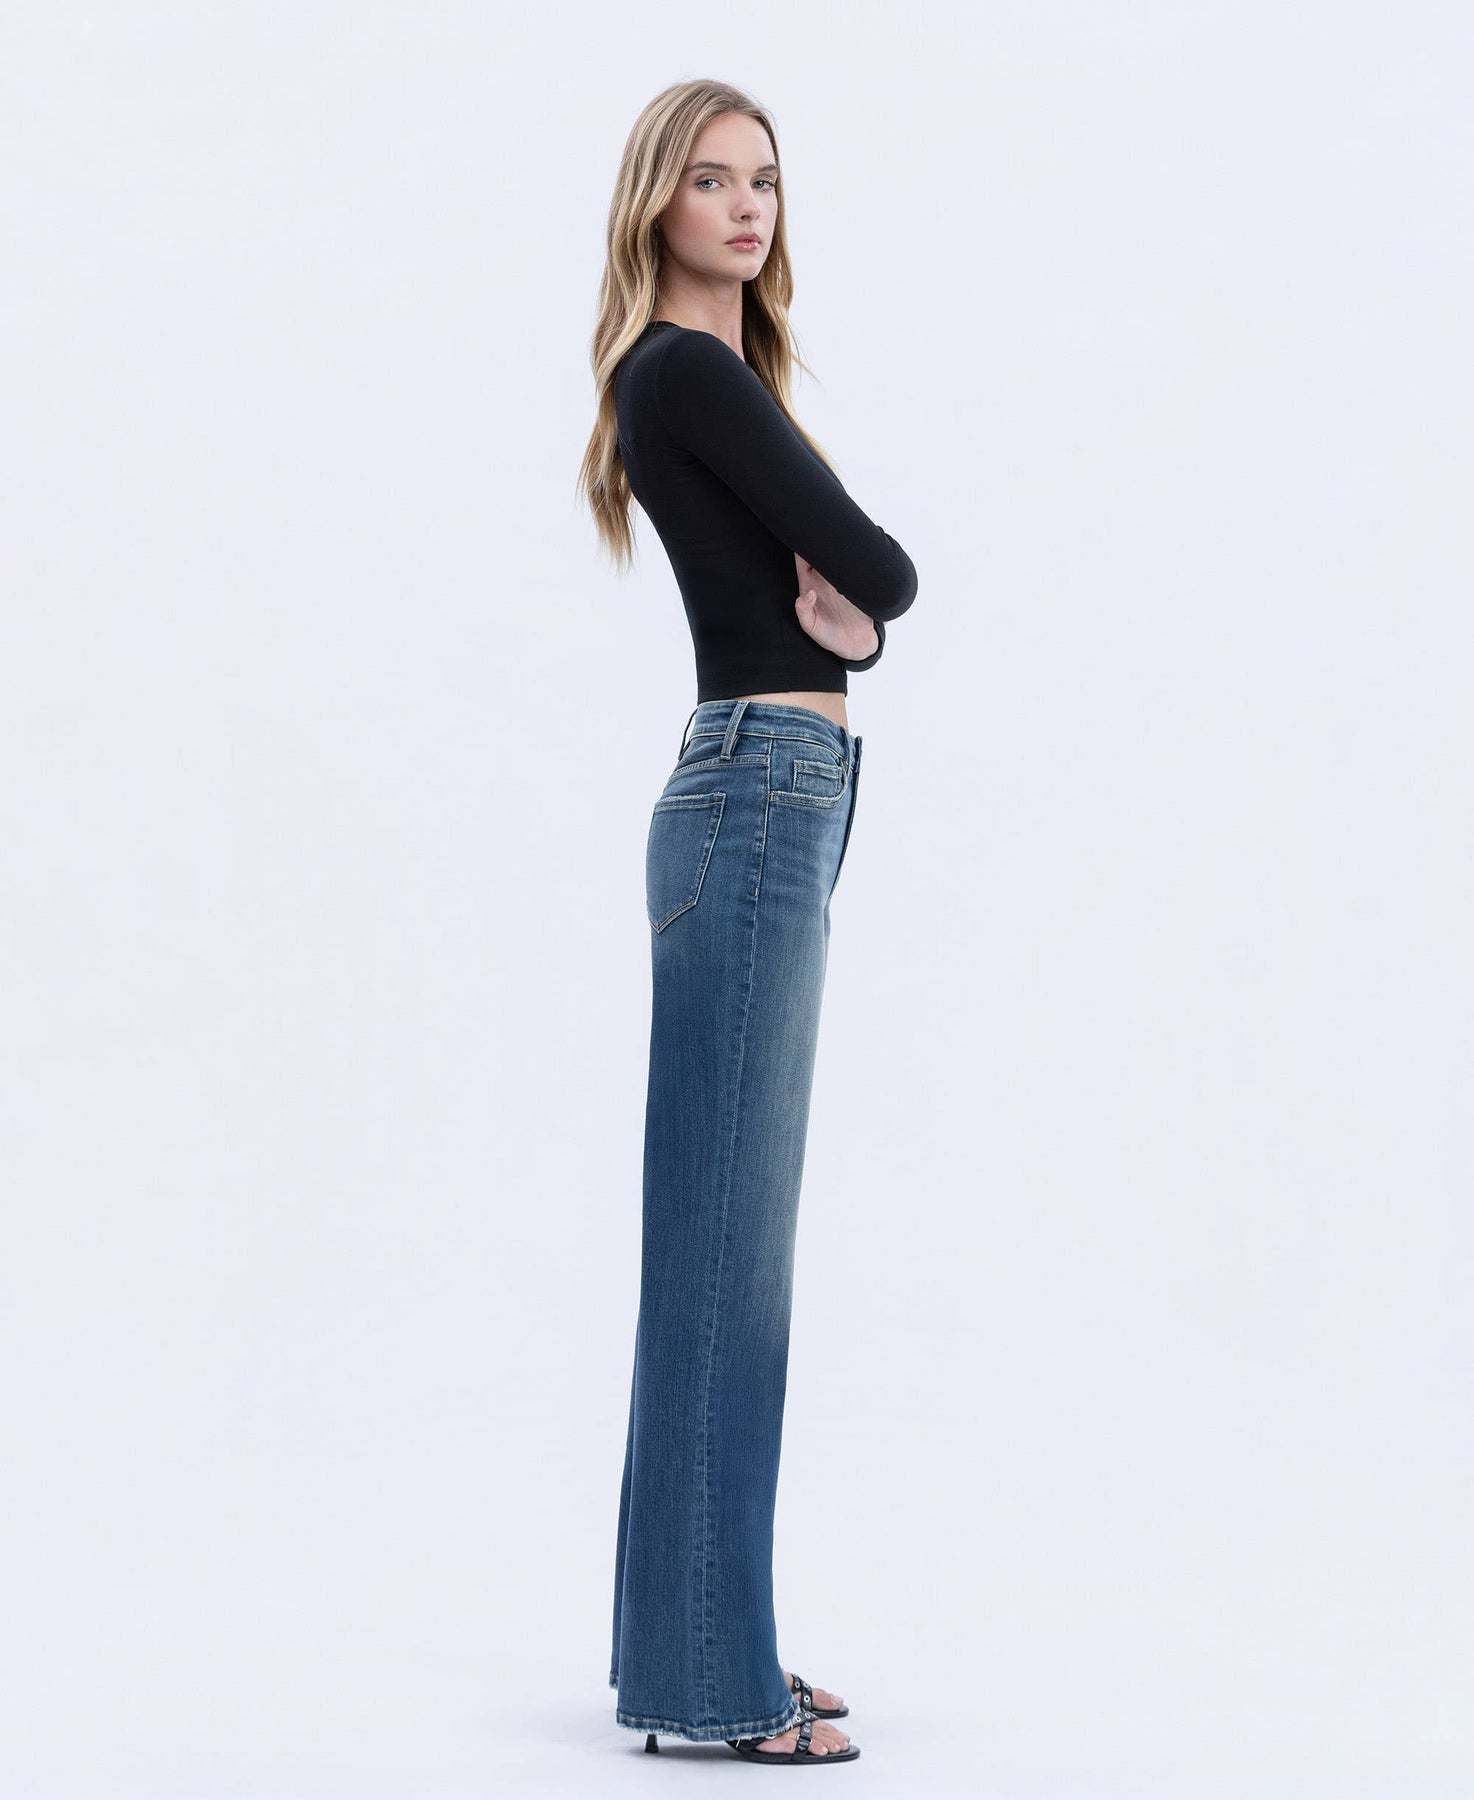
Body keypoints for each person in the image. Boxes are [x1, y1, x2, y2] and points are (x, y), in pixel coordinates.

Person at [578, 78, 918, 1767]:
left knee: (713, 1247)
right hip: (759, 792)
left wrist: (849, 616)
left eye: (763, 179)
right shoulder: (686, 371)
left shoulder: (699, 378)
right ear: (657, 200)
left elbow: (851, 604)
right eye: (711, 179)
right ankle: (714, 1680)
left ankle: (692, 1646)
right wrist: (855, 609)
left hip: (769, 789)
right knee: (730, 1260)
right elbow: (881, 573)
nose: (745, 204)